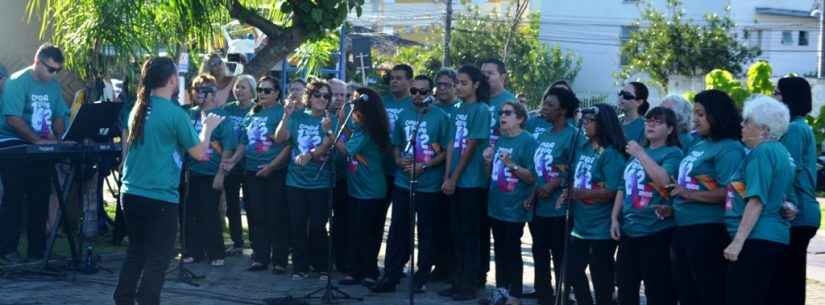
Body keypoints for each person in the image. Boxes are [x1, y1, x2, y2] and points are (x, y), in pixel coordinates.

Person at [114, 56, 224, 305]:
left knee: (137, 251)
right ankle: (147, 300)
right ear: (173, 80)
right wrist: (207, 127)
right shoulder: (175, 114)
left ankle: (123, 298)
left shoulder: (138, 108)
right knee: (158, 257)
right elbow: (200, 154)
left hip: (130, 192)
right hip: (159, 195)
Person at [372, 75, 450, 293]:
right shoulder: (405, 114)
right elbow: (396, 142)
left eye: (423, 92)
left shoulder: (440, 117)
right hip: (403, 182)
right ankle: (391, 275)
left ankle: (421, 276)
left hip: (429, 185)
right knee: (398, 230)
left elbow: (445, 151)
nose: (417, 95)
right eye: (414, 90)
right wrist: (397, 159)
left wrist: (424, 166)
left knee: (426, 233)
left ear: (431, 93)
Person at [671, 89, 744, 305]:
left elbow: (729, 192)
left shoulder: (730, 148)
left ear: (717, 115)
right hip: (682, 226)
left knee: (707, 291)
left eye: (701, 114)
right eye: (694, 113)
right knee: (685, 292)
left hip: (707, 230)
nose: (695, 119)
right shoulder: (699, 143)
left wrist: (688, 195)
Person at [0, 44, 69, 262]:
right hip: (11, 142)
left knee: (40, 196)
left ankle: (37, 252)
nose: (53, 74)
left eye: (57, 70)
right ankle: (8, 250)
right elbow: (12, 118)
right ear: (37, 62)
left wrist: (58, 138)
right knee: (14, 196)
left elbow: (59, 115)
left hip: (39, 145)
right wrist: (37, 140)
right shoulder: (17, 82)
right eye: (50, 69)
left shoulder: (55, 87)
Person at [724, 96, 794, 305]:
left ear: (763, 130)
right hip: (773, 236)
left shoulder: (762, 152)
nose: (742, 125)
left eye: (747, 121)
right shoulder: (782, 152)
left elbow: (756, 200)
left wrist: (737, 242)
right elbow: (780, 195)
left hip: (757, 238)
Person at [610, 107, 682, 305]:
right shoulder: (637, 154)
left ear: (670, 129)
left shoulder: (672, 153)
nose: (650, 124)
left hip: (656, 231)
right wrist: (614, 218)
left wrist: (641, 153)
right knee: (625, 289)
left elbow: (665, 183)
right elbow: (622, 186)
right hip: (629, 230)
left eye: (658, 121)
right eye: (648, 120)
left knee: (657, 291)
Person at [562, 103, 626, 305]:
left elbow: (614, 190)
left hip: (602, 227)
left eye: (590, 121)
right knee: (571, 272)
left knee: (601, 277)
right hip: (580, 224)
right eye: (584, 120)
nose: (585, 124)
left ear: (604, 123)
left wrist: (579, 194)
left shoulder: (611, 153)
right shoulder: (583, 147)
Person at [439, 64, 492, 301]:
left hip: (471, 183)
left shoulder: (481, 110)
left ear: (476, 85)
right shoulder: (456, 109)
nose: (458, 87)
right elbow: (452, 143)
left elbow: (471, 146)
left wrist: (456, 176)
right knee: (455, 232)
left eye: (463, 83)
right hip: (455, 181)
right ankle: (457, 280)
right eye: (457, 83)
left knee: (470, 235)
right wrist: (447, 176)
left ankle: (470, 284)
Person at [274, 79, 335, 280]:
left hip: (321, 182)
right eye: (318, 95)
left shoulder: (330, 119)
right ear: (309, 97)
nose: (322, 99)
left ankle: (321, 266)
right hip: (295, 181)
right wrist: (286, 115)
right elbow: (280, 138)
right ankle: (300, 267)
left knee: (318, 226)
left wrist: (310, 154)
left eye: (326, 96)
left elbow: (329, 144)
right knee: (297, 225)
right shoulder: (298, 116)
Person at [772, 76, 821, 305]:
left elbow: (787, 171)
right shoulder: (802, 126)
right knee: (791, 279)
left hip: (797, 213)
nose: (774, 97)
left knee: (786, 282)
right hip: (804, 211)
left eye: (778, 93)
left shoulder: (792, 129)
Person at [528, 87, 579, 305]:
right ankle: (543, 295)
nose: (544, 108)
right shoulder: (544, 134)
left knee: (559, 254)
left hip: (559, 207)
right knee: (539, 251)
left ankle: (562, 297)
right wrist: (532, 195)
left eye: (550, 105)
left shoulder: (573, 136)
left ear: (563, 110)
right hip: (539, 205)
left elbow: (573, 168)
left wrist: (553, 185)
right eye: (544, 103)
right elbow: (536, 168)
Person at [483, 101, 537, 305]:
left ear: (520, 118)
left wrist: (511, 164)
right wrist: (487, 161)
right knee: (499, 249)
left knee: (512, 249)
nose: (501, 116)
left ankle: (515, 295)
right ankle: (500, 291)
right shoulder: (500, 139)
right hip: (496, 204)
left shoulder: (528, 141)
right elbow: (491, 175)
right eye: (500, 112)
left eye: (507, 113)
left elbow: (532, 177)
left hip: (515, 206)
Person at [336, 88, 390, 286]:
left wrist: (328, 131)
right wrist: (342, 123)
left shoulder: (369, 131)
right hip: (357, 189)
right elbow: (350, 136)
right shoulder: (360, 129)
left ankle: (368, 271)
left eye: (354, 104)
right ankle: (355, 270)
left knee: (366, 232)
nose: (351, 106)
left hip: (370, 190)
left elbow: (346, 149)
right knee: (356, 230)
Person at [181, 74, 237, 267]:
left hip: (211, 172)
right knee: (190, 213)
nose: (199, 94)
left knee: (209, 214)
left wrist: (221, 175)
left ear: (213, 93)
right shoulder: (190, 114)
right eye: (196, 89)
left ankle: (216, 253)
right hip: (191, 171)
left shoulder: (222, 117)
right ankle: (192, 251)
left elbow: (228, 148)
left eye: (204, 90)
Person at [243, 76, 291, 273]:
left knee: (276, 216)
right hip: (251, 171)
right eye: (260, 90)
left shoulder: (282, 113)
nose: (262, 93)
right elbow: (243, 140)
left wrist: (271, 166)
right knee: (256, 215)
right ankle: (260, 257)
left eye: (267, 90)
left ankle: (279, 260)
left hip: (275, 172)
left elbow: (289, 145)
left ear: (277, 93)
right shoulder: (253, 112)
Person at [376, 63, 415, 280]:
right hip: (380, 170)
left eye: (399, 78)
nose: (394, 81)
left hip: (404, 172)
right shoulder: (383, 102)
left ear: (410, 81)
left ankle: (398, 266)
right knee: (377, 219)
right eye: (392, 77)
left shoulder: (414, 104)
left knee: (402, 223)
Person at [218, 75, 257, 254]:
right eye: (237, 87)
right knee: (232, 205)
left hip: (250, 164)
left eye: (243, 87)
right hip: (230, 162)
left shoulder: (257, 109)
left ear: (252, 91)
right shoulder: (227, 109)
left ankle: (257, 244)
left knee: (252, 204)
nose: (238, 90)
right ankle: (237, 242)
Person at [430, 68, 460, 281]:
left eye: (447, 85)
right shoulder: (430, 109)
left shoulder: (460, 109)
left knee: (454, 226)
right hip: (431, 178)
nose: (442, 89)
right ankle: (438, 267)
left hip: (455, 176)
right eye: (439, 84)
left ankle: (453, 269)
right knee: (435, 225)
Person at [326, 78, 351, 273]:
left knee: (342, 222)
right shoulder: (320, 116)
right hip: (321, 178)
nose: (340, 98)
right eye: (335, 94)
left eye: (344, 95)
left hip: (344, 178)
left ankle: (341, 260)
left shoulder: (352, 117)